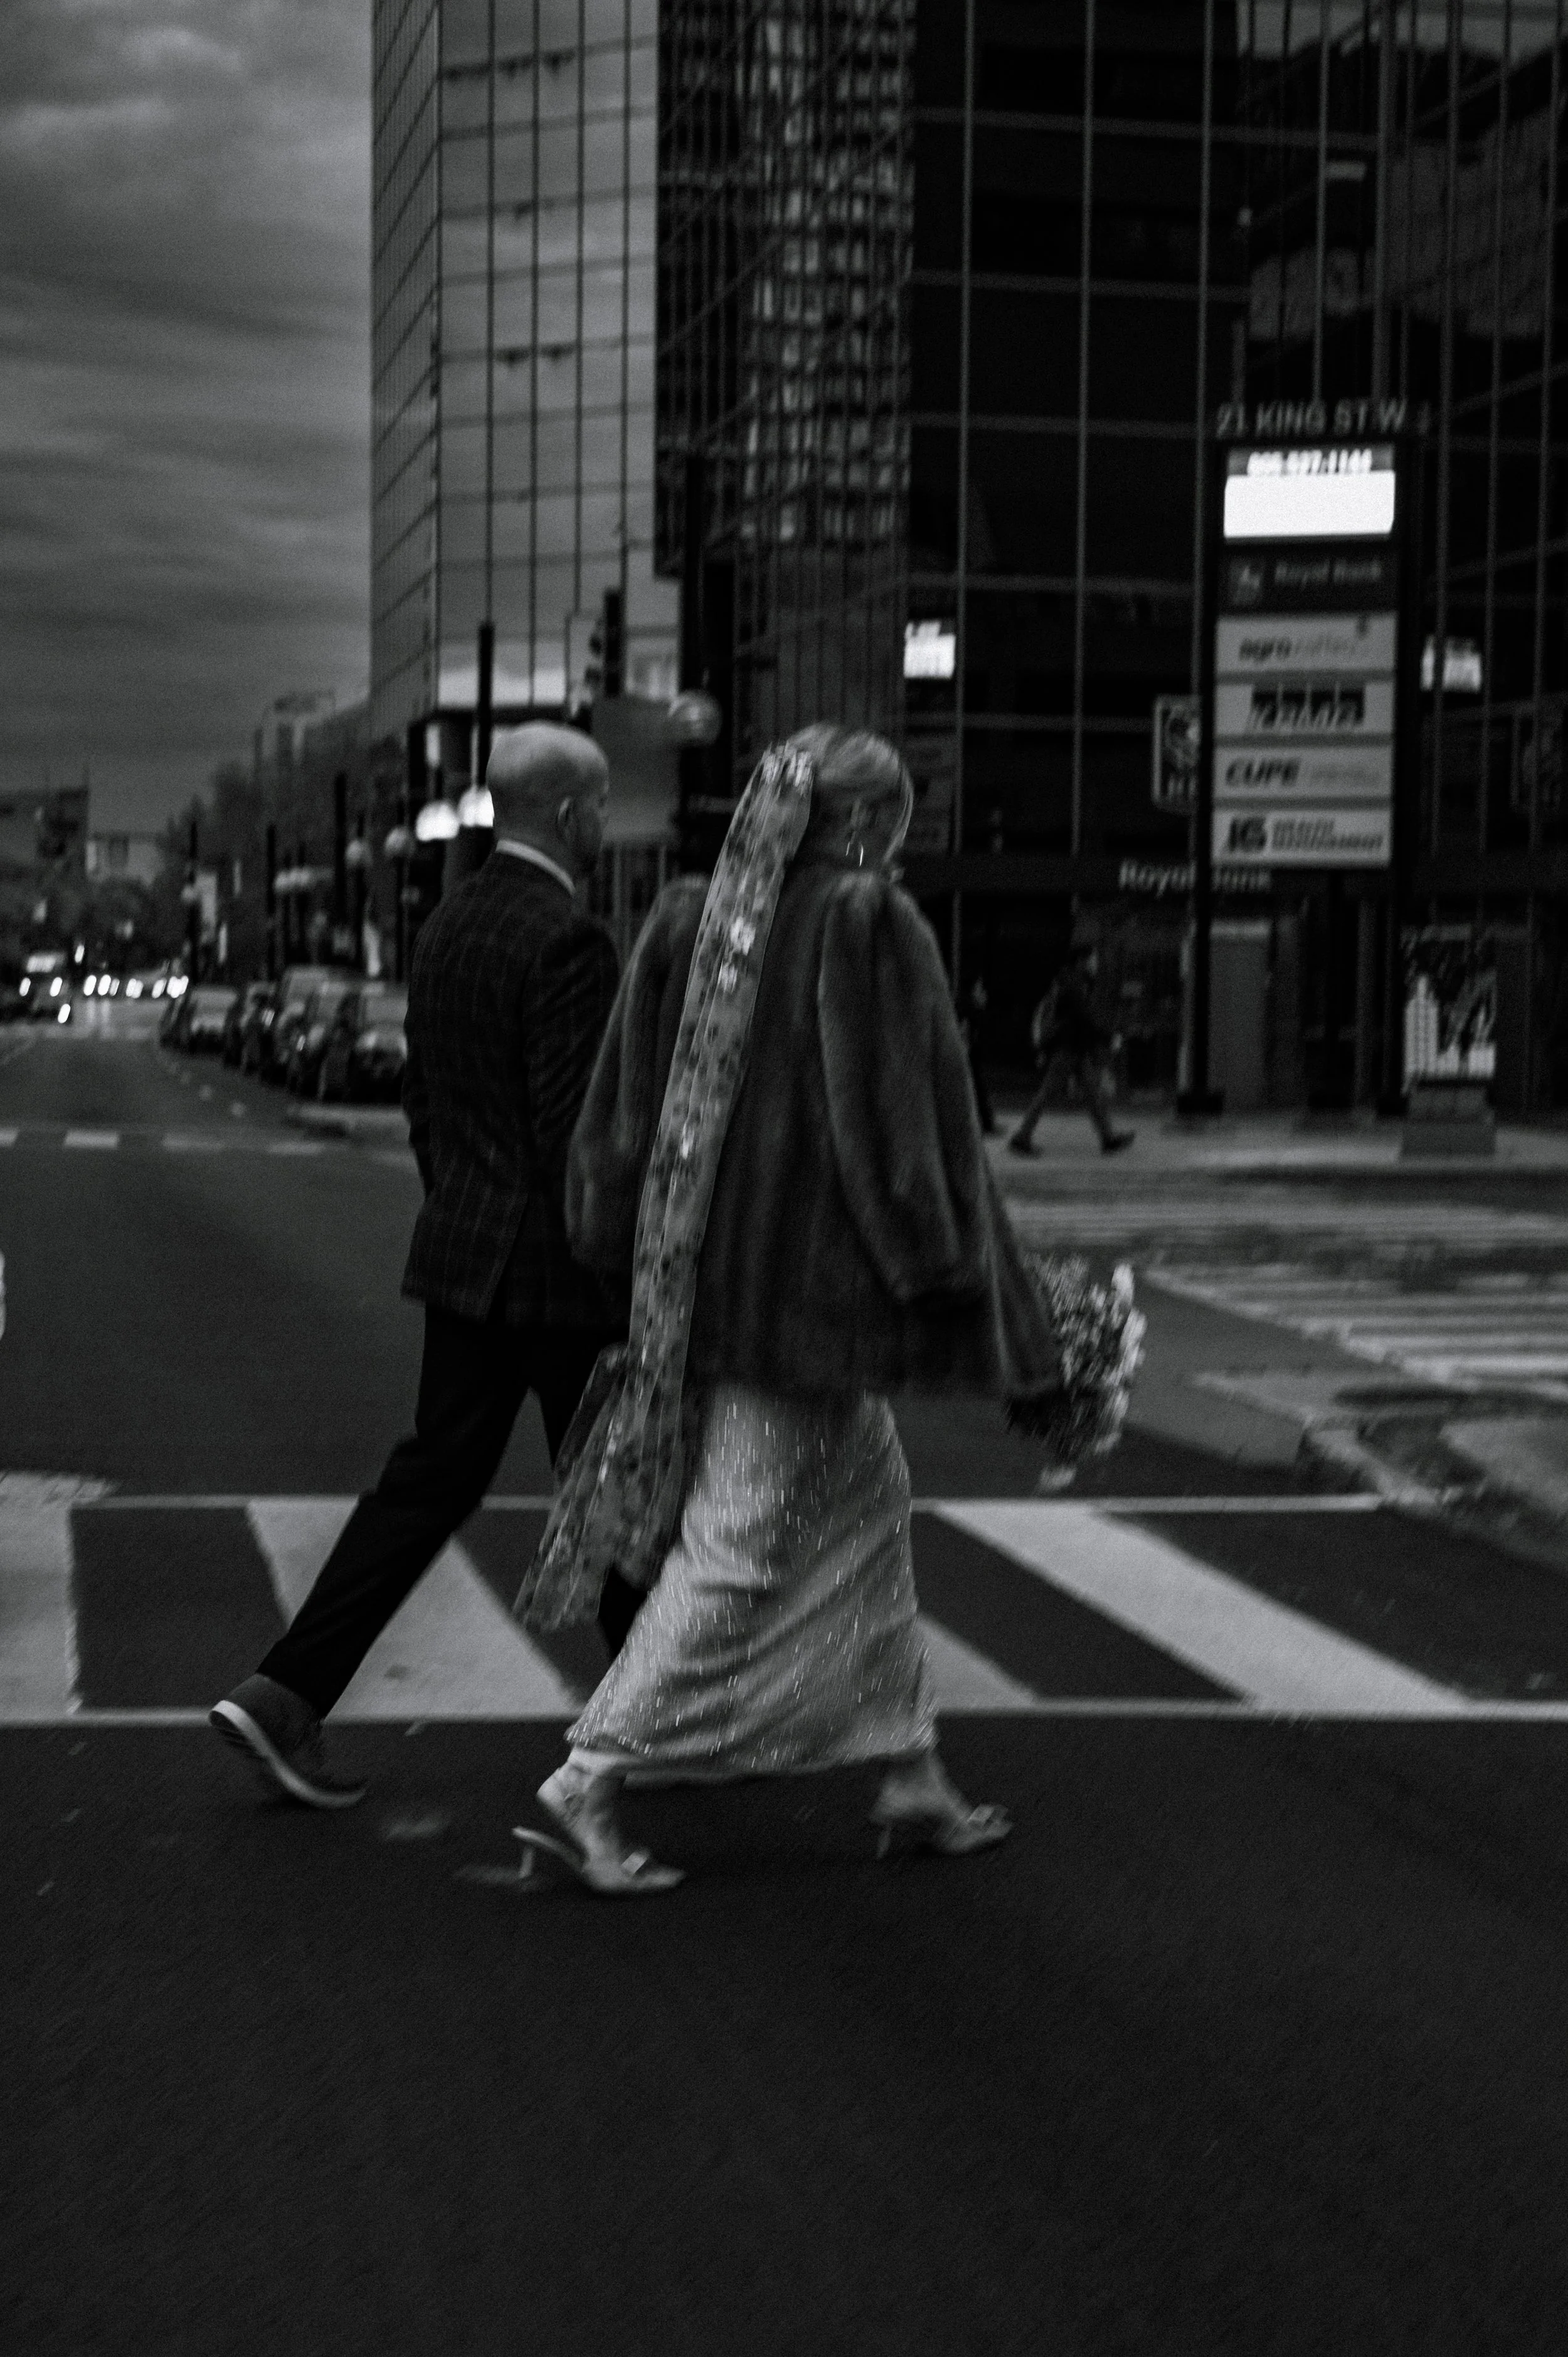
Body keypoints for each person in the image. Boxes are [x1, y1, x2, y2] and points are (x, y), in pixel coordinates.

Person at [509, 725, 1067, 1895]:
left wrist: (623, 1247)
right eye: (897, 826)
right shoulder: (867, 924)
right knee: (739, 1542)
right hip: (809, 1308)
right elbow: (908, 1145)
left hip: (702, 1295)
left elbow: (616, 1125)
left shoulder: (682, 920)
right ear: (861, 827)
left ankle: (912, 1773)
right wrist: (957, 1278)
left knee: (870, 1505)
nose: (900, 851)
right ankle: (588, 1780)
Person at [210, 722, 639, 1807]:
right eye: (601, 809)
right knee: (615, 1492)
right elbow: (570, 1135)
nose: (607, 827)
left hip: (465, 1253)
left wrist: (462, 1200)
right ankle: (659, 1718)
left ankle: (286, 1691)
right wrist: (631, 1262)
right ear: (574, 813)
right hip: (555, 1270)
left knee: (433, 1482)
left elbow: (422, 1099)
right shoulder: (571, 937)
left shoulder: (448, 924)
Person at [1008, 941, 1133, 1156]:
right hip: (1068, 1049)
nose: (1096, 963)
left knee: (1093, 1093)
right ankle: (1021, 1137)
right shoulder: (1073, 983)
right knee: (1047, 1093)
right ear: (1081, 961)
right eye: (1092, 959)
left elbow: (1081, 1019)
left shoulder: (1076, 981)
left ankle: (1108, 1139)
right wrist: (1108, 1037)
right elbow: (1082, 1018)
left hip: (1076, 1047)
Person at [961, 972, 997, 1135]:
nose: (982, 991)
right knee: (976, 1088)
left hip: (972, 1052)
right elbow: (970, 1028)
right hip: (969, 1053)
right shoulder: (968, 1006)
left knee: (978, 1087)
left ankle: (986, 1122)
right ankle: (984, 1123)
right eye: (979, 988)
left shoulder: (970, 1006)